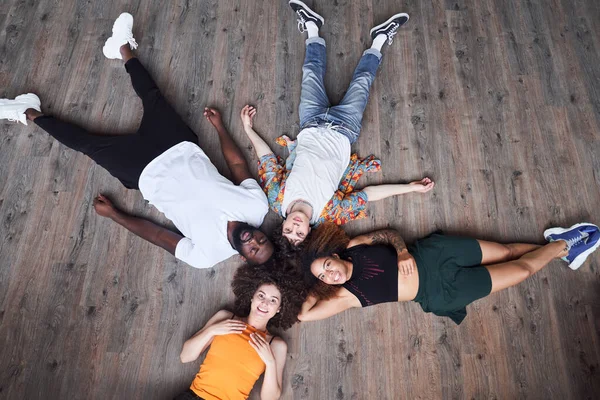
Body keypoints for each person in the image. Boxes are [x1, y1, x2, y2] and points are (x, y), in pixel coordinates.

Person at [0, 13, 274, 268]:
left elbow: (157, 235)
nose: (254, 241)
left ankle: (28, 110)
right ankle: (121, 46)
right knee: (153, 97)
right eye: (262, 240)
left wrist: (116, 215)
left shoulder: (207, 255)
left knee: (86, 144)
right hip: (180, 146)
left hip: (145, 172)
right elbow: (238, 165)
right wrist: (220, 128)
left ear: (243, 258)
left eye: (253, 250)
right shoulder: (256, 208)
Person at [240, 1, 434, 248]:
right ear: (308, 234)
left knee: (310, 72)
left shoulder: (277, 199)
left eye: (289, 229)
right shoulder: (331, 213)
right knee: (362, 82)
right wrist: (409, 188)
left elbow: (267, 160)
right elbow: (369, 195)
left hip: (310, 124)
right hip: (344, 129)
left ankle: (312, 27)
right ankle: (379, 39)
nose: (296, 226)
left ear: (283, 224)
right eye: (299, 234)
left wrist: (248, 129)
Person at [298, 222, 600, 324]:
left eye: (327, 267)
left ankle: (560, 247)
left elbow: (388, 233)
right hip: (440, 292)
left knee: (507, 251)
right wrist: (313, 284)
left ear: (334, 255)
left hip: (434, 254)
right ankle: (564, 244)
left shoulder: (354, 245)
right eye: (323, 278)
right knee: (521, 270)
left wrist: (402, 251)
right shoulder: (345, 296)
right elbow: (304, 315)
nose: (330, 275)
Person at [175, 262, 304, 400]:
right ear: (252, 296)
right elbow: (185, 356)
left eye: (273, 300)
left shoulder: (275, 345)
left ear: (279, 308)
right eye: (261, 296)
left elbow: (270, 398)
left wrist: (270, 362)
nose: (265, 303)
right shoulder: (225, 317)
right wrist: (212, 330)